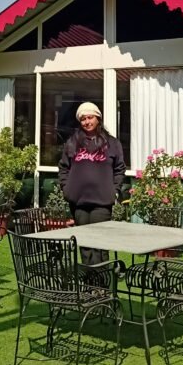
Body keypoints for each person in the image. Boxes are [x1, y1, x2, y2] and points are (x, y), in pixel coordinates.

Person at [58, 101, 126, 264]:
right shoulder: (72, 142)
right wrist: (67, 189)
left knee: (99, 245)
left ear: (98, 118)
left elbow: (119, 169)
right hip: (78, 203)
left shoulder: (112, 143)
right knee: (85, 245)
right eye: (83, 119)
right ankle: (88, 278)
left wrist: (114, 190)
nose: (87, 122)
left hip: (102, 203)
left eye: (90, 117)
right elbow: (63, 167)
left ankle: (102, 279)